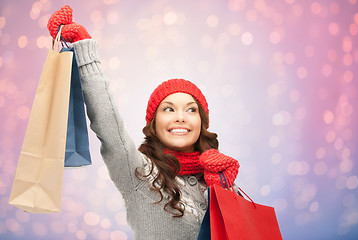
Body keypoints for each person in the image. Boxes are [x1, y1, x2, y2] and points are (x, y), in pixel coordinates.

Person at [48, 6, 240, 240]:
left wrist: (224, 191)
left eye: (191, 110)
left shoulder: (217, 178)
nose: (180, 116)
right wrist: (84, 49)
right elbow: (108, 125)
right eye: (168, 109)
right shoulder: (140, 173)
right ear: (154, 123)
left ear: (201, 123)